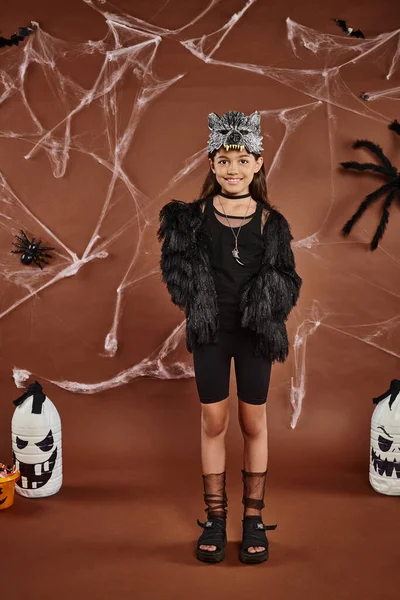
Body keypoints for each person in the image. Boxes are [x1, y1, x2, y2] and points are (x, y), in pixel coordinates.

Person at [157, 110, 302, 564]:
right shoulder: (193, 219)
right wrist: (198, 301)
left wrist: (264, 307)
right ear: (212, 164)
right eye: (223, 160)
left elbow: (286, 278)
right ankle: (216, 518)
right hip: (211, 331)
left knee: (253, 422)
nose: (233, 169)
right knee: (213, 422)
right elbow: (176, 272)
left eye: (242, 160)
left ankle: (253, 517)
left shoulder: (270, 223)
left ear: (258, 163)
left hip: (254, 334)